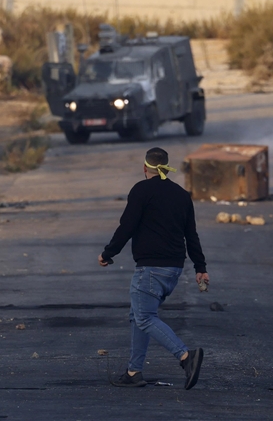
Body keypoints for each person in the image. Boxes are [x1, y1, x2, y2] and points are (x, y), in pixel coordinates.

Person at [98, 147, 209, 390]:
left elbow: (127, 226)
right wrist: (200, 266)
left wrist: (108, 253)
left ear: (145, 167)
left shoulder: (141, 190)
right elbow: (191, 234)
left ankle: (185, 357)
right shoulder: (182, 195)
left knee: (145, 317)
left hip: (150, 269)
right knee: (138, 316)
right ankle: (133, 372)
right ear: (166, 167)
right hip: (173, 270)